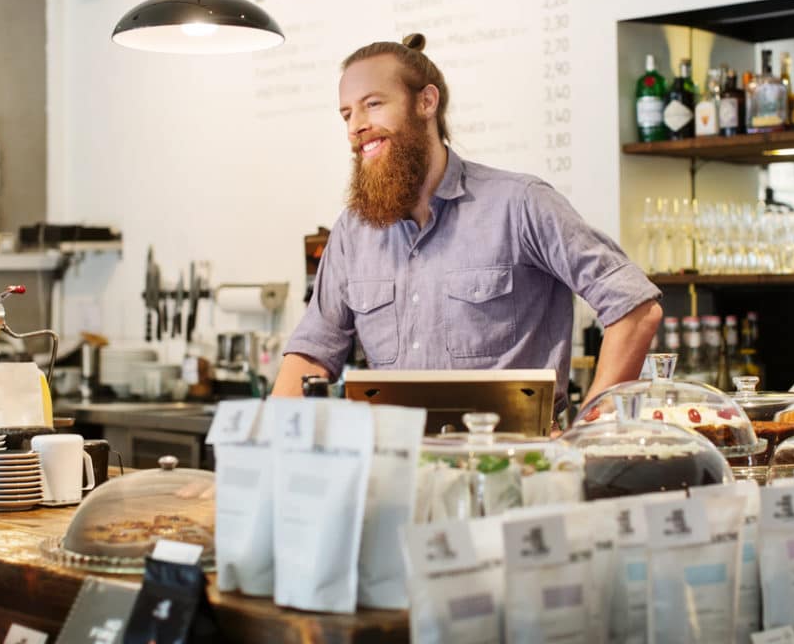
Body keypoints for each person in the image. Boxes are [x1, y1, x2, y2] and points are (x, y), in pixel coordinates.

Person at [273, 34, 662, 417]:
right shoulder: (352, 234)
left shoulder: (521, 203)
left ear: (426, 102)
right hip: (399, 467)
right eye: (346, 114)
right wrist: (263, 449)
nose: (355, 127)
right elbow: (312, 353)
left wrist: (591, 432)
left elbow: (636, 308)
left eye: (372, 105)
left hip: (515, 469)